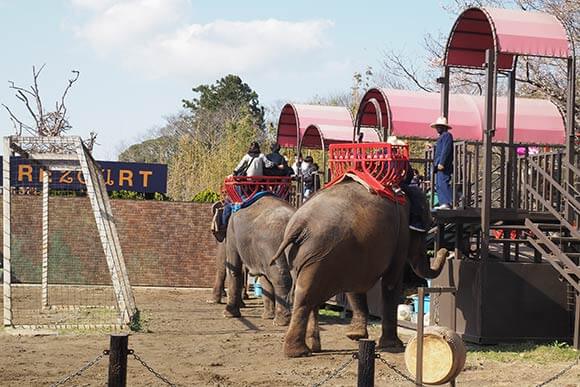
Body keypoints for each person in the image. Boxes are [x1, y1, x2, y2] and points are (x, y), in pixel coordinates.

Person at [431, 116, 453, 210]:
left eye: (440, 126)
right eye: (437, 126)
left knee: (443, 182)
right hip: (438, 164)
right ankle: (442, 202)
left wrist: (442, 162)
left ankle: (447, 202)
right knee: (439, 184)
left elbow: (446, 150)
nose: (438, 128)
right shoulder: (441, 137)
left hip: (443, 165)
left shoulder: (447, 135)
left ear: (445, 127)